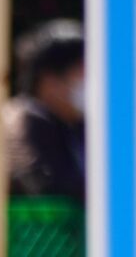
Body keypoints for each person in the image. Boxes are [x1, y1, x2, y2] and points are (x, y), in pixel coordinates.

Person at [5, 21, 86, 201]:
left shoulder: (72, 124)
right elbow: (49, 187)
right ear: (49, 81)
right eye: (82, 72)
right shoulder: (24, 121)